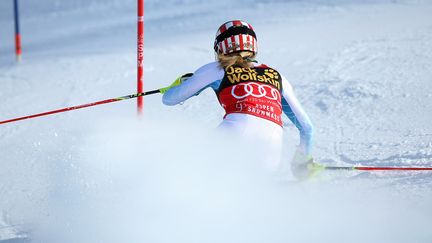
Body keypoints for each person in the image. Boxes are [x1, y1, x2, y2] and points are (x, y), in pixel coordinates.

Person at [161, 20, 314, 177]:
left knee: (185, 172)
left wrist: (179, 83)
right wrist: (302, 162)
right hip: (271, 151)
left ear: (221, 48)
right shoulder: (277, 76)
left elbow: (169, 99)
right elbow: (307, 128)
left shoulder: (216, 69)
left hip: (233, 135)